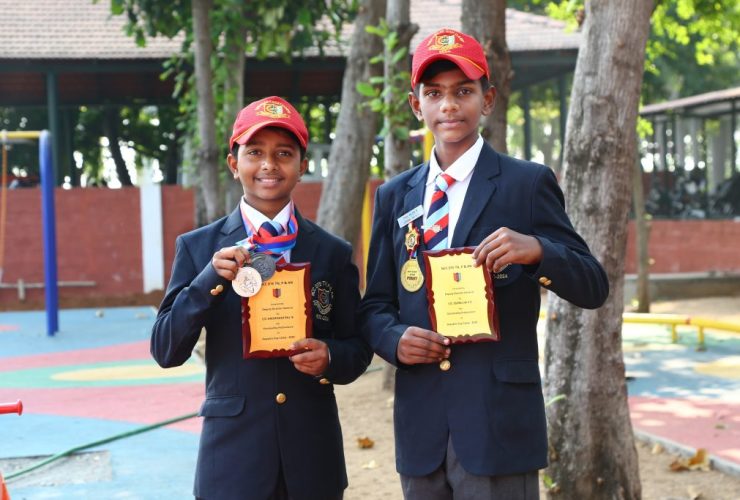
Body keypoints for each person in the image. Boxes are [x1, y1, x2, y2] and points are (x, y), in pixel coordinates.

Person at [360, 28, 609, 499]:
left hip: (499, 424)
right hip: (422, 427)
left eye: (463, 92)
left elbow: (593, 285)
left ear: (488, 99)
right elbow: (374, 305)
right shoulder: (394, 196)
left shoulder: (527, 183)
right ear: (416, 105)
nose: (448, 106)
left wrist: (538, 250)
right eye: (434, 93)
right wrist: (394, 339)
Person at [152, 96, 372, 500]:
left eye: (284, 153)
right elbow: (166, 349)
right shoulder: (199, 248)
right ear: (234, 164)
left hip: (312, 458)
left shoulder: (332, 252)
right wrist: (207, 281)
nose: (269, 164)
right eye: (255, 152)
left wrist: (330, 356)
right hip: (233, 459)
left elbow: (358, 349)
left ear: (302, 166)